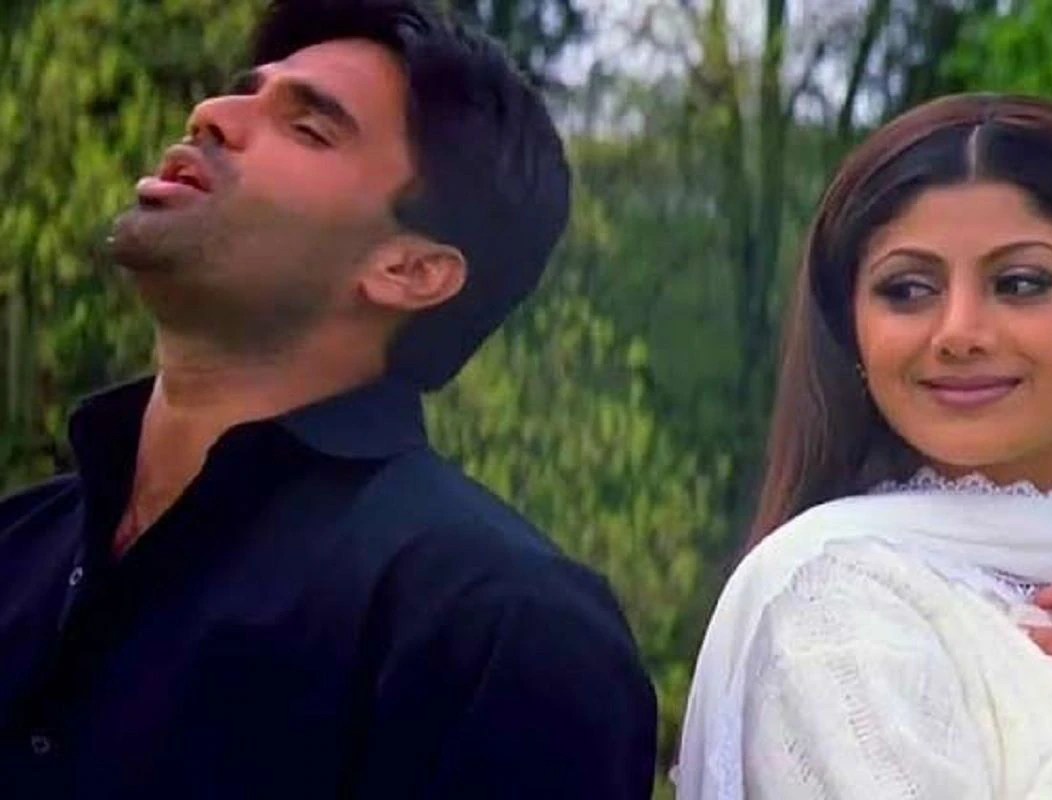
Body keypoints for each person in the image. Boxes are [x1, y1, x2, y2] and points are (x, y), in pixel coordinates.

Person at [0, 1, 657, 797]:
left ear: (409, 271)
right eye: (244, 89)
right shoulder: (18, 548)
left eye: (308, 128)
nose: (212, 114)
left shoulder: (501, 633)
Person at [676, 93, 1052, 799]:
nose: (958, 332)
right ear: (855, 333)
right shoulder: (832, 606)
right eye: (908, 289)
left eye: (1020, 283)